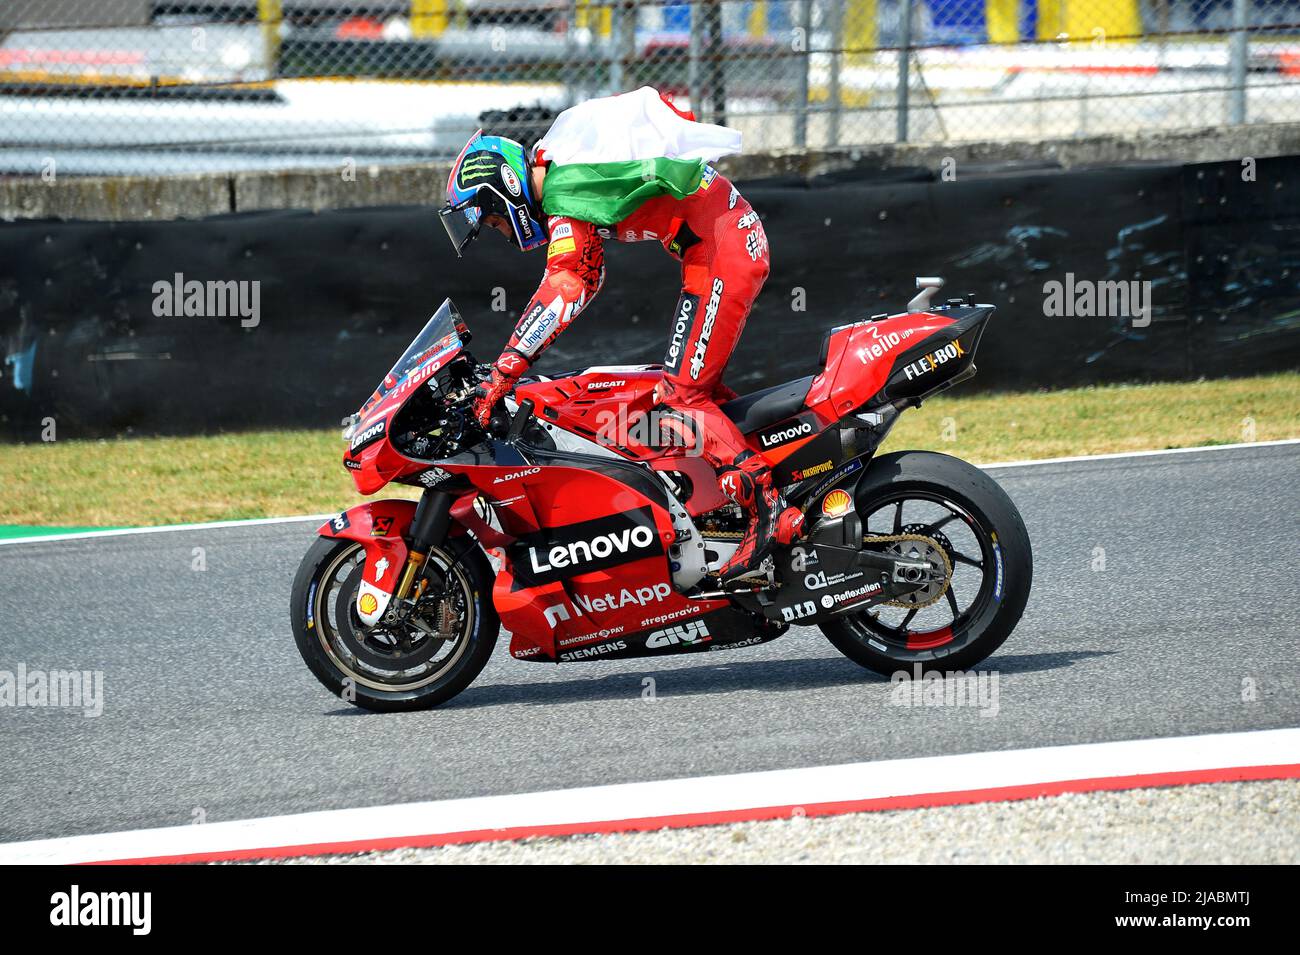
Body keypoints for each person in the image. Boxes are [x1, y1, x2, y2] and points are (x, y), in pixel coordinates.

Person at [438, 87, 804, 584]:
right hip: (712, 250)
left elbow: (570, 283)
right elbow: (586, 277)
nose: (503, 232)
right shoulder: (559, 162)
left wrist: (505, 370)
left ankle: (769, 506)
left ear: (503, 190)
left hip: (723, 251)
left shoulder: (564, 190)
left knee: (679, 396)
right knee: (683, 386)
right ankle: (747, 486)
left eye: (495, 219)